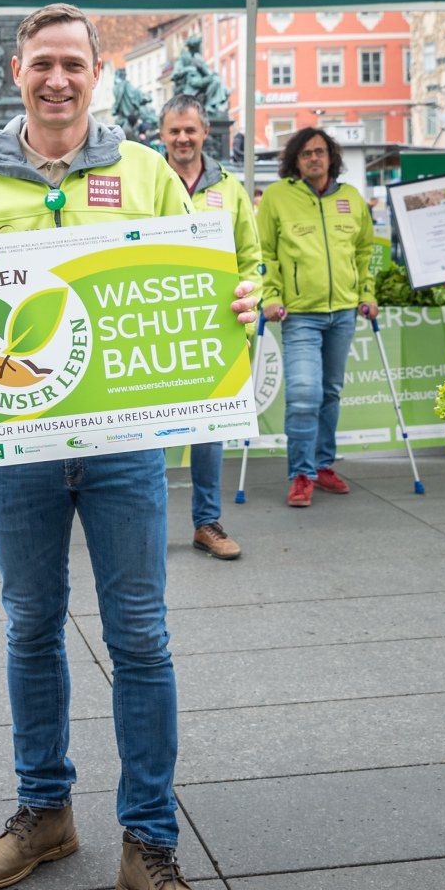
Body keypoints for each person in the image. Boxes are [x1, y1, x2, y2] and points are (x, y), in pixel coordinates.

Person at [0, 2, 254, 890]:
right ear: (18, 71)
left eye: (73, 65)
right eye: (41, 63)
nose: (57, 79)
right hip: (17, 451)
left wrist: (239, 302)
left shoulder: (142, 172)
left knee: (140, 635)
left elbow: (203, 282)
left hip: (124, 449)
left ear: (97, 74)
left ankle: (149, 845)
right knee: (31, 625)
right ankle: (45, 813)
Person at [158, 93, 260, 560]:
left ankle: (206, 523)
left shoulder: (230, 189)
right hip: (154, 326)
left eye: (190, 130)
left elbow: (251, 259)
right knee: (147, 430)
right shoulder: (144, 181)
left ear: (205, 134)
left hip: (214, 329)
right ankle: (146, 525)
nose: (182, 138)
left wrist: (247, 295)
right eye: (174, 130)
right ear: (161, 135)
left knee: (209, 429)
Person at [256, 126, 375, 508]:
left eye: (320, 152)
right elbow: (266, 254)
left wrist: (366, 294)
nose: (313, 158)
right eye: (305, 153)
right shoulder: (276, 198)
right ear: (295, 158)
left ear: (331, 156)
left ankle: (323, 465)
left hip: (343, 311)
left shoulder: (352, 199)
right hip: (300, 314)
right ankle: (302, 474)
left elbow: (364, 253)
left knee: (329, 393)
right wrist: (270, 297)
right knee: (304, 395)